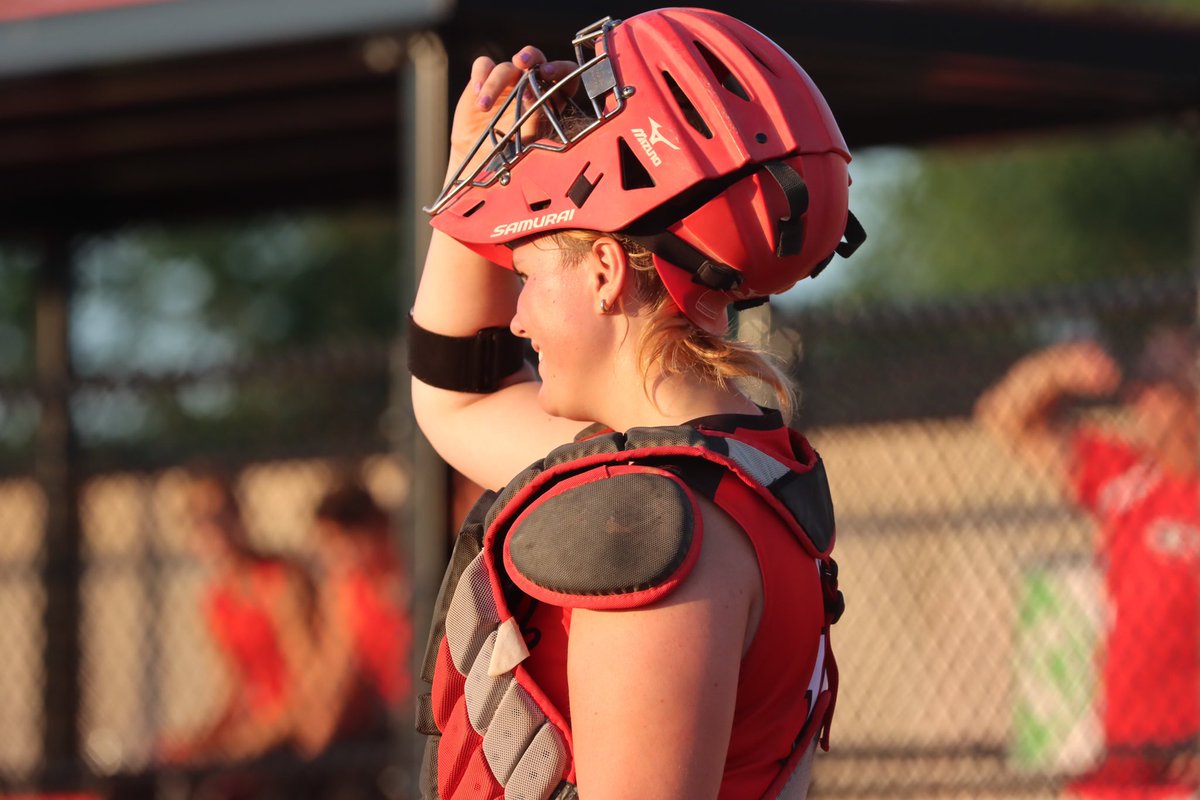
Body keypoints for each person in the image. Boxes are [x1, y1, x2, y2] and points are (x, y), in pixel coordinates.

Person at [409, 9, 862, 799]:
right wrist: (471, 176)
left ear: (605, 272)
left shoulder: (650, 522)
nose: (516, 319)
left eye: (527, 277)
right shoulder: (717, 471)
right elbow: (460, 395)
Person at [975, 328, 1200, 791]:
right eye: (1139, 390)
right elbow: (1002, 420)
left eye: (1158, 392)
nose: (1139, 403)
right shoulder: (1126, 476)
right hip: (1120, 745)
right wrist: (1056, 370)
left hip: (1187, 755)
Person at [159, 468, 315, 767]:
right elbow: (237, 691)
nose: (213, 528)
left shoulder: (279, 581)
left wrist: (250, 738)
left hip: (296, 734)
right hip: (259, 730)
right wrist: (204, 739)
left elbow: (309, 686)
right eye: (199, 519)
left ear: (240, 517)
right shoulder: (216, 602)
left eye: (220, 515)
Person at [294, 477, 411, 758]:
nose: (330, 555)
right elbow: (336, 664)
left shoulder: (409, 572)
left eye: (335, 542)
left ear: (366, 532)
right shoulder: (346, 588)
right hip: (388, 710)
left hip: (423, 702)